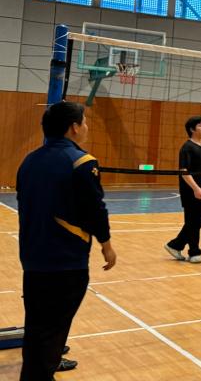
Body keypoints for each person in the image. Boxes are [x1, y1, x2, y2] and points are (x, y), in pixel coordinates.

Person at [17, 101, 116, 381]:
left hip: (32, 258)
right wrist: (106, 245)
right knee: (51, 331)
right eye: (84, 122)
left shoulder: (29, 161)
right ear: (74, 127)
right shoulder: (81, 162)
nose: (86, 127)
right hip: (65, 262)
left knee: (37, 328)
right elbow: (95, 210)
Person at [166, 116, 201, 263]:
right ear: (192, 129)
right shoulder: (187, 147)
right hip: (191, 190)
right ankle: (194, 252)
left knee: (200, 219)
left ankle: (175, 245)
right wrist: (195, 188)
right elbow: (184, 171)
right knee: (193, 221)